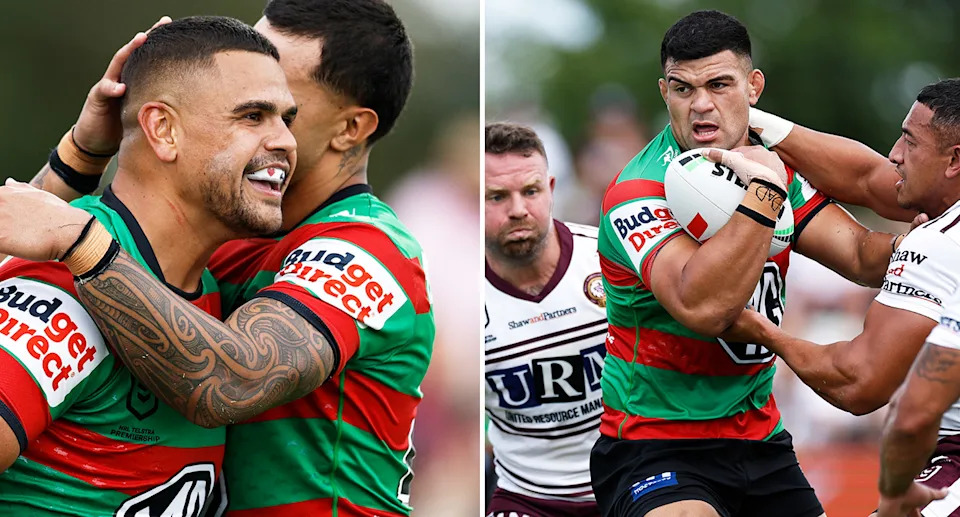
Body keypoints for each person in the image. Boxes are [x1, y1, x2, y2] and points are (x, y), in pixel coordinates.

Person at [5, 1, 434, 515]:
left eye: (286, 108)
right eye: (252, 109)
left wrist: (82, 243)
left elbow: (232, 381)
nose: (278, 135)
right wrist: (81, 153)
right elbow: (24, 248)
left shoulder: (366, 249)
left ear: (350, 128)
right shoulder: (215, 239)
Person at [592, 10, 905, 517]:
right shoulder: (639, 192)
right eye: (683, 89)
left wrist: (934, 242)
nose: (701, 105)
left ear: (753, 87)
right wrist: (764, 193)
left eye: (719, 85)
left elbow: (861, 255)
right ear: (664, 92)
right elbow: (705, 307)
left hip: (760, 439)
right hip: (656, 442)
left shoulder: (768, 162)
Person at [0, 16, 298, 515]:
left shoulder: (206, 285)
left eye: (287, 119)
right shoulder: (60, 287)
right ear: (163, 129)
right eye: (252, 116)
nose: (286, 141)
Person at [740, 79, 960, 516]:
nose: (895, 154)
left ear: (954, 161)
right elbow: (866, 176)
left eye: (910, 141)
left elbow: (859, 384)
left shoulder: (938, 241)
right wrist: (746, 118)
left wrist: (761, 331)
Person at [484, 122, 605, 517]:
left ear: (551, 189)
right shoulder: (458, 297)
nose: (518, 210)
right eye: (497, 196)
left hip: (632, 476)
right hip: (528, 497)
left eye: (531, 191)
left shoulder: (609, 259)